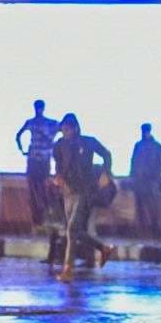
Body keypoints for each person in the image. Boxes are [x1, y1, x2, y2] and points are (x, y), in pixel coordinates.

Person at [51, 113, 115, 282]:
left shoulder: (88, 142)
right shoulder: (59, 145)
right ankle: (103, 248)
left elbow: (106, 154)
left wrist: (105, 174)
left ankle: (68, 270)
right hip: (67, 191)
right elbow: (58, 164)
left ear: (75, 128)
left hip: (85, 191)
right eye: (63, 129)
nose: (65, 132)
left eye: (67, 129)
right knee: (75, 231)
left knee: (72, 229)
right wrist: (58, 177)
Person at [14, 99, 58, 228]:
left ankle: (42, 218)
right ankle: (38, 220)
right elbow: (18, 136)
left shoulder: (46, 122)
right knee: (35, 189)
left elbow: (18, 136)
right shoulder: (38, 122)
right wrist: (22, 150)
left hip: (39, 159)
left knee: (41, 188)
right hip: (37, 159)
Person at [129, 123, 161, 238]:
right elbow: (133, 162)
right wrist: (132, 177)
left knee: (152, 208)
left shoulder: (156, 146)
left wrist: (156, 178)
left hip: (150, 182)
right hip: (140, 182)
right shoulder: (139, 146)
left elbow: (160, 164)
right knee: (140, 209)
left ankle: (156, 233)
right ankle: (142, 233)